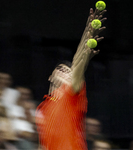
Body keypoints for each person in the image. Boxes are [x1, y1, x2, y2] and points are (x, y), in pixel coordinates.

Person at [36, 7, 107, 150]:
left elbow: (77, 64)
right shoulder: (42, 108)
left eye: (68, 72)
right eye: (60, 69)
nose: (64, 72)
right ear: (51, 77)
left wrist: (88, 35)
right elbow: (43, 144)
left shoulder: (72, 94)